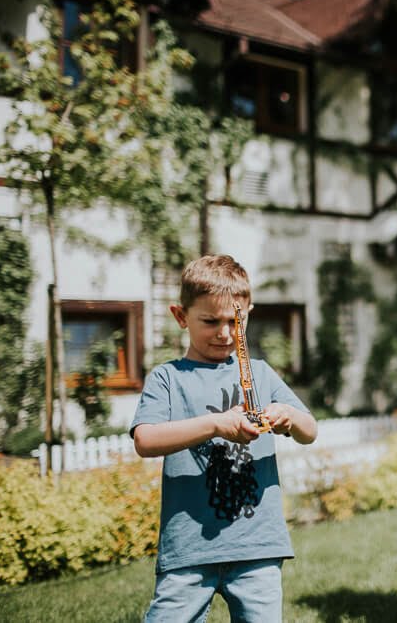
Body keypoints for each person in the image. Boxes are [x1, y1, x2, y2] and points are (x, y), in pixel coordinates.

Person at [131, 254, 317, 622]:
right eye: (210, 321)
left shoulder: (261, 374)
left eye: (236, 321)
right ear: (181, 317)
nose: (225, 333)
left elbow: (309, 431)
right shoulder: (168, 378)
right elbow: (145, 440)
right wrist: (216, 424)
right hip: (189, 549)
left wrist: (289, 417)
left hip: (257, 546)